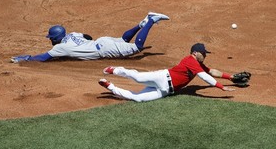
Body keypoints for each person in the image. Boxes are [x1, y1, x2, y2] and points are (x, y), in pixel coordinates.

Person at [98, 43, 248, 102]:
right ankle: (115, 70)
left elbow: (211, 71)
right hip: (162, 77)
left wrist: (231, 77)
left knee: (138, 99)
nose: (206, 55)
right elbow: (204, 76)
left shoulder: (198, 63)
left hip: (166, 91)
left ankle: (110, 87)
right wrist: (221, 87)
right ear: (195, 53)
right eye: (204, 53)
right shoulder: (190, 60)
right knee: (137, 77)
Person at [10, 12, 170, 63]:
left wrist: (28, 58)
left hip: (103, 49)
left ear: (56, 38)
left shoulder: (59, 47)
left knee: (136, 48)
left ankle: (150, 20)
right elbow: (87, 36)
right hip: (100, 41)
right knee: (123, 41)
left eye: (51, 38)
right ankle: (139, 25)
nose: (50, 40)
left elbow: (44, 57)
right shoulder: (72, 34)